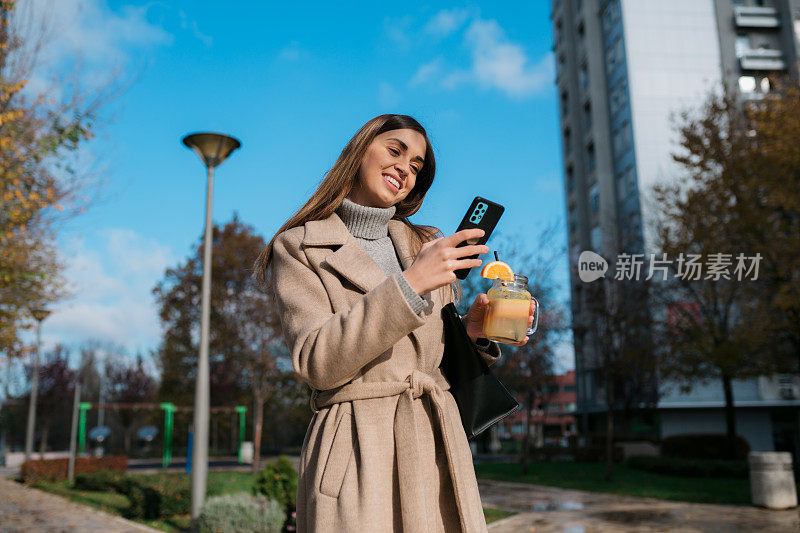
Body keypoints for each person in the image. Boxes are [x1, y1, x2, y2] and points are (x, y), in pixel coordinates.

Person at [254, 114, 534, 532]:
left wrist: (471, 332)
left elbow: (434, 360)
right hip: (356, 446)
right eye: (395, 150)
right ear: (358, 151)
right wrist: (412, 283)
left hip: (436, 444)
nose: (406, 167)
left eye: (417, 165)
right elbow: (318, 362)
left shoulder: (426, 243)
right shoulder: (299, 247)